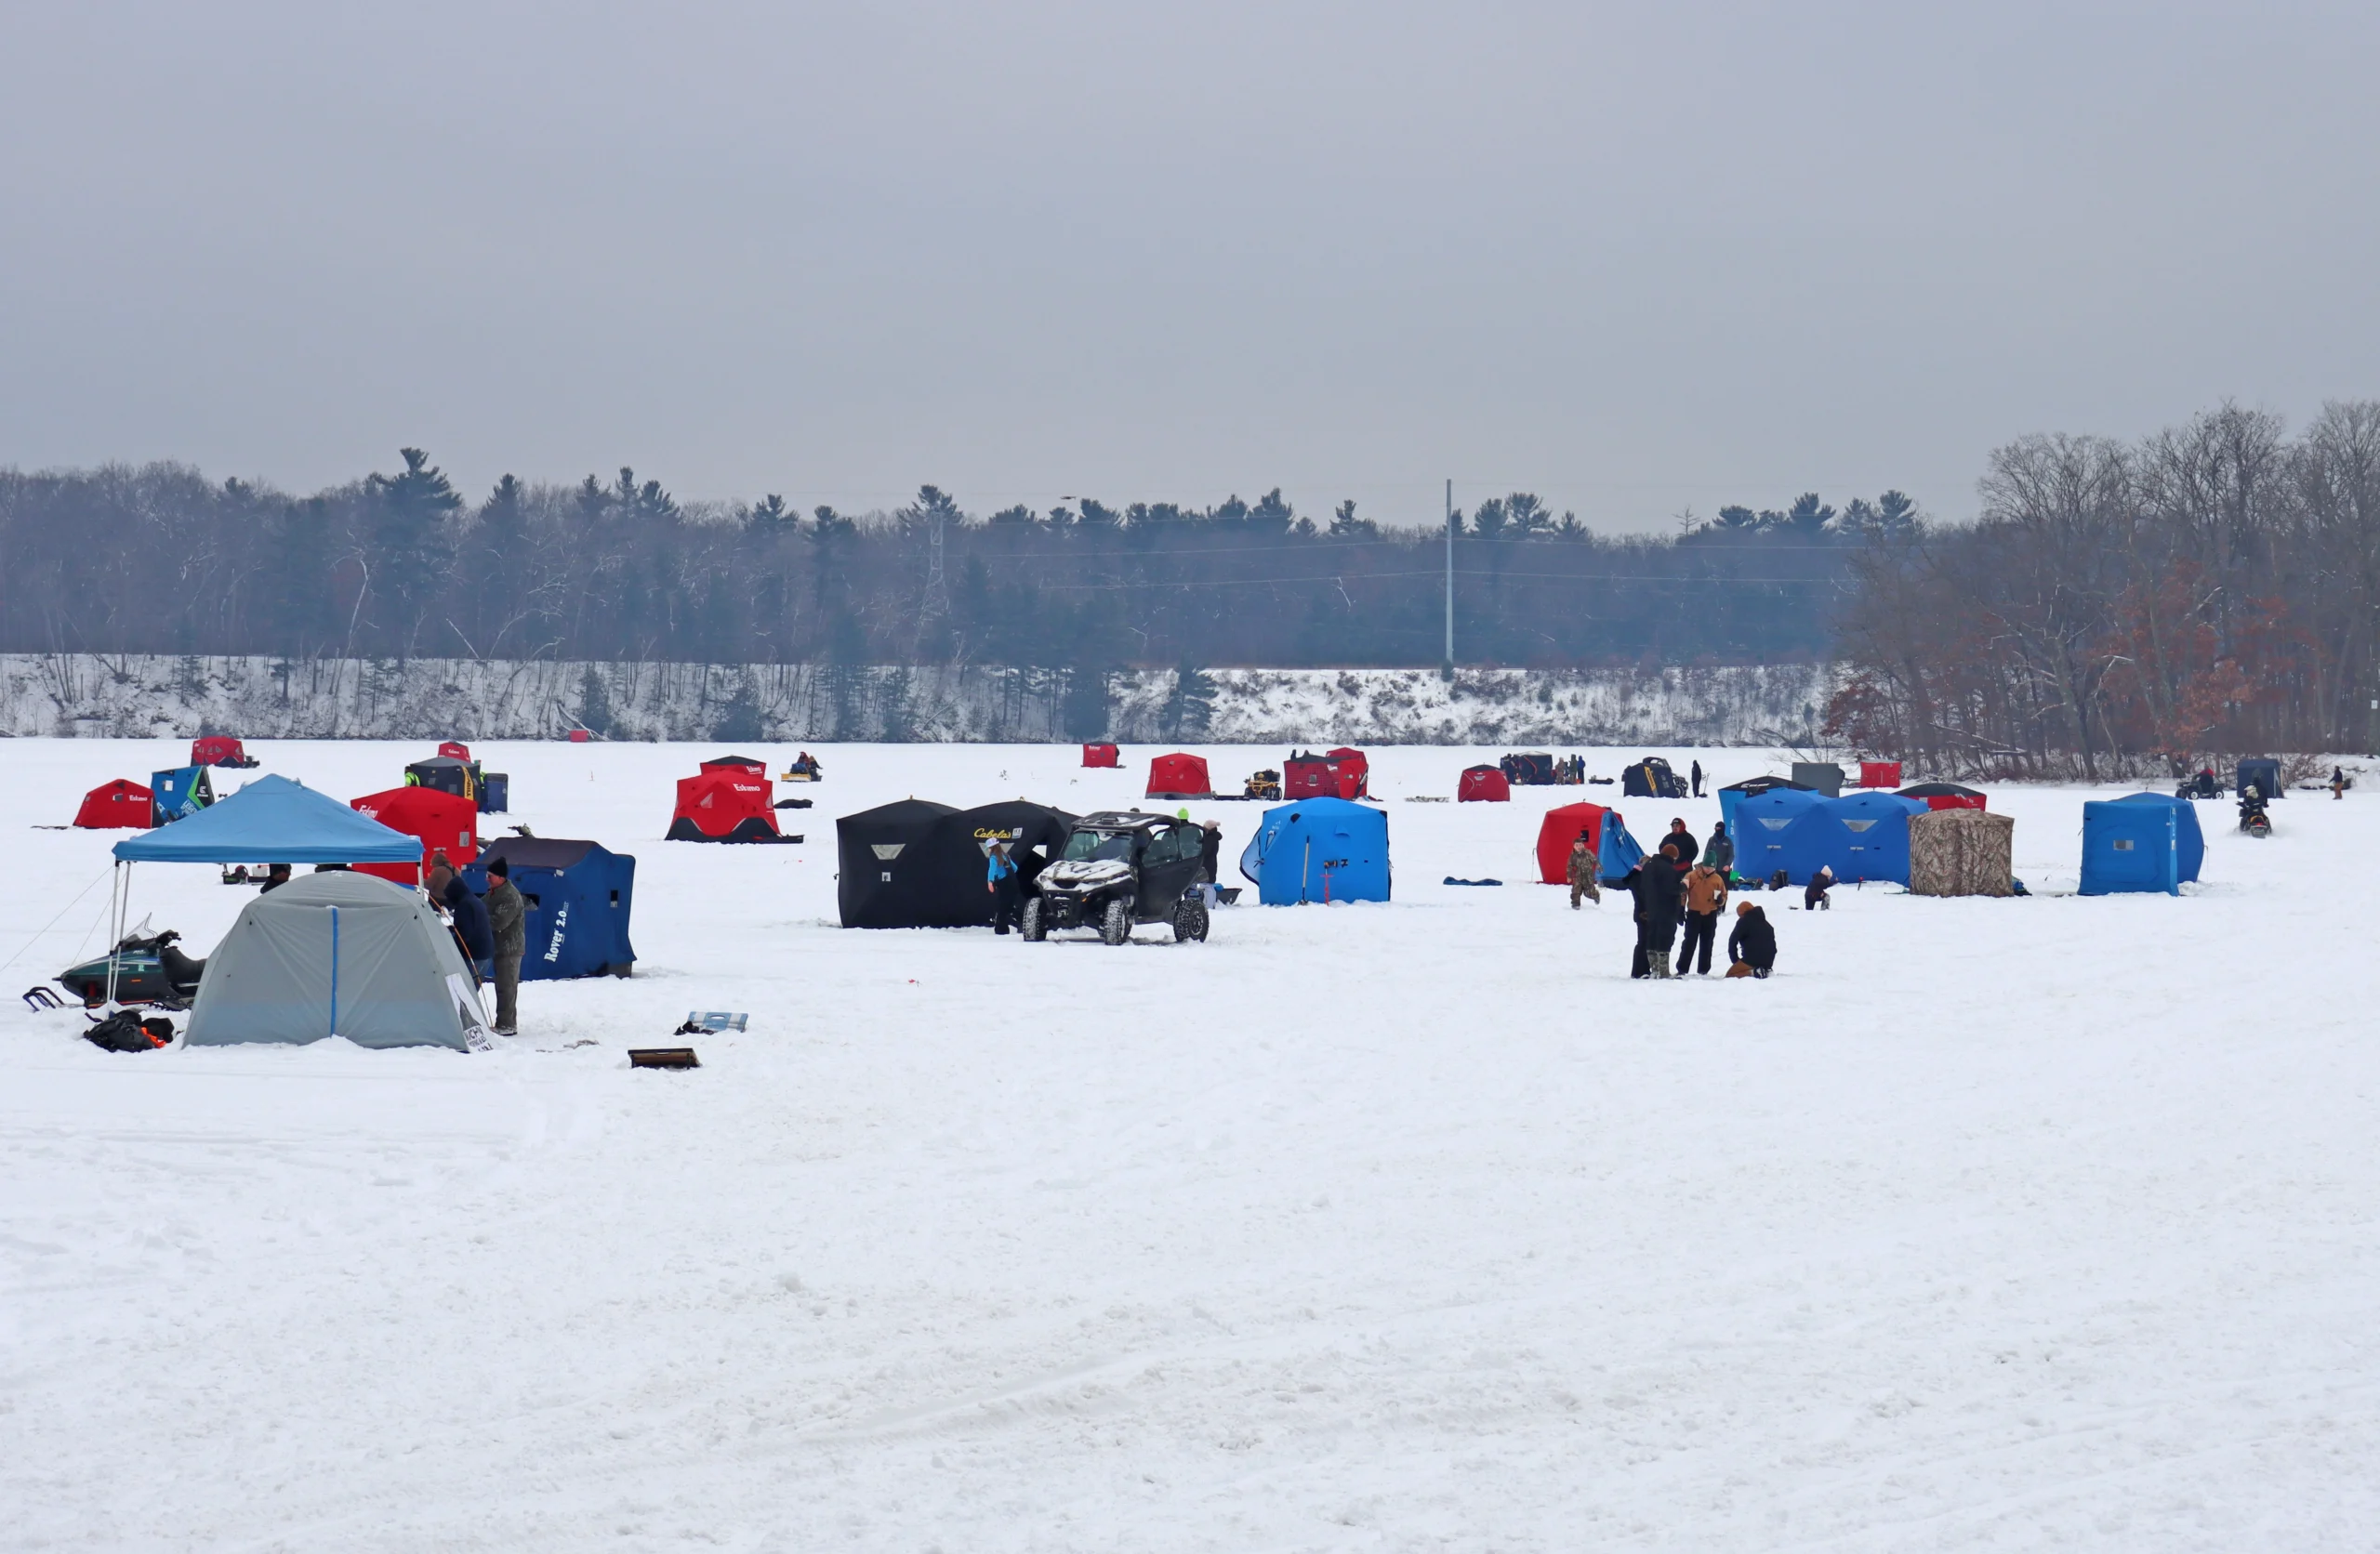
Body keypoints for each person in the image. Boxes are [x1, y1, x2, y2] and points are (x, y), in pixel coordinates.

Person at [1625, 839, 1685, 978]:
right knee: (1664, 939)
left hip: (1650, 909)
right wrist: (1683, 887)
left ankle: (1654, 970)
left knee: (1651, 939)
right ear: (1672, 856)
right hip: (1666, 910)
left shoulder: (1648, 867)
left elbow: (1643, 888)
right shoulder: (1668, 869)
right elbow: (1672, 889)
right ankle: (1662, 972)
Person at [484, 856, 525, 1034]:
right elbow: (480, 906)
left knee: (506, 988)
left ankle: (507, 1025)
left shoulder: (510, 896)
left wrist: (478, 920)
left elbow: (499, 921)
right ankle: (503, 1022)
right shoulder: (494, 892)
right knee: (501, 986)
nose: (487, 879)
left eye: (490, 876)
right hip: (499, 947)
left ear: (501, 877)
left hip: (510, 949)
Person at [443, 873, 495, 984]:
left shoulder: (464, 905)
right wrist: (452, 929)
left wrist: (452, 949)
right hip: (486, 953)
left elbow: (464, 935)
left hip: (474, 955)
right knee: (472, 991)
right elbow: (473, 925)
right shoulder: (475, 901)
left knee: (465, 990)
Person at [1680, 862, 1729, 974]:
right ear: (1702, 866)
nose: (1709, 870)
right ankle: (1682, 968)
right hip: (1694, 913)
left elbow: (1724, 894)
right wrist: (1681, 908)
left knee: (1707, 942)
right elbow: (1683, 893)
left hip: (1710, 914)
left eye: (1712, 868)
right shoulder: (1691, 876)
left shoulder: (1717, 879)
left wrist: (1721, 901)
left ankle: (1704, 969)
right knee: (1689, 942)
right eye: (1707, 867)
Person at [1726, 901, 1777, 978]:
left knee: (1730, 975)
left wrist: (1736, 961)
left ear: (1742, 913)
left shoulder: (1744, 921)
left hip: (1751, 960)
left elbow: (1732, 941)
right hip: (1769, 960)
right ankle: (1765, 969)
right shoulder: (1766, 924)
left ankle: (1754, 972)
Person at [985, 839, 1022, 935]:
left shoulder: (994, 857)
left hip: (1004, 884)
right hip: (1013, 883)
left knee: (1001, 908)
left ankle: (1001, 930)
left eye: (989, 848)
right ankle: (1024, 922)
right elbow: (1015, 868)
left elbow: (991, 869)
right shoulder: (1005, 856)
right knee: (1008, 907)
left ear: (992, 848)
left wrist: (990, 881)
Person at [1567, 834, 1601, 908]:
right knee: (1576, 890)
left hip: (1588, 877)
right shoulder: (1573, 856)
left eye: (1580, 845)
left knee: (1588, 893)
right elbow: (1569, 866)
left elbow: (1595, 859)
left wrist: (1599, 866)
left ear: (1583, 845)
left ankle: (1596, 895)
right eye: (1577, 845)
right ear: (1574, 846)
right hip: (1578, 877)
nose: (1579, 847)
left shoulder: (1588, 853)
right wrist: (1569, 876)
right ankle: (1575, 904)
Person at [1198, 821, 1223, 885]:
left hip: (1207, 865)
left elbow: (1206, 851)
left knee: (1206, 883)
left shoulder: (1210, 838)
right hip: (1211, 863)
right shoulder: (1212, 837)